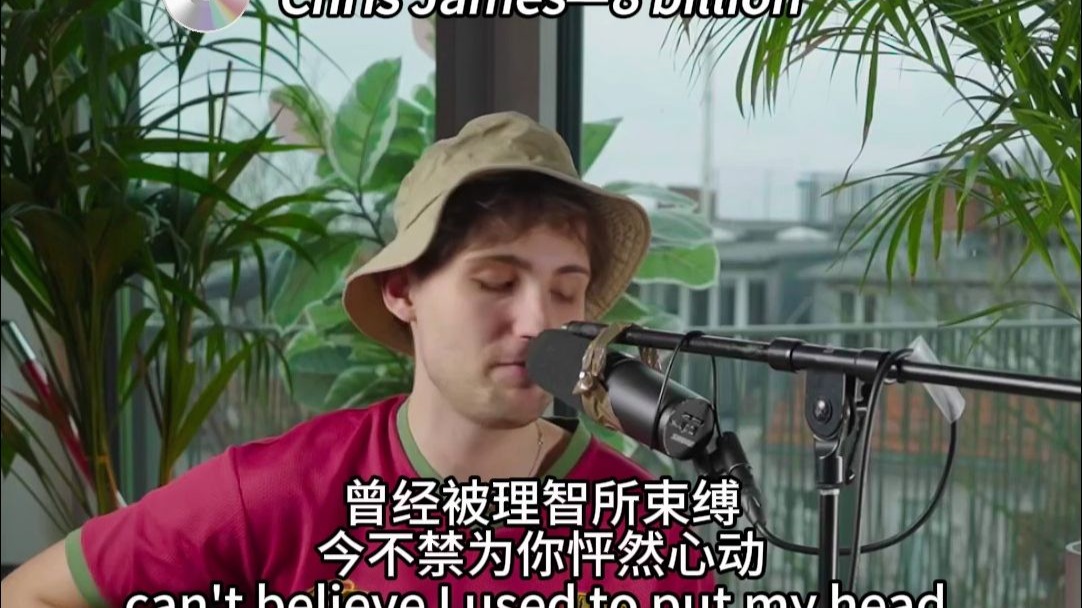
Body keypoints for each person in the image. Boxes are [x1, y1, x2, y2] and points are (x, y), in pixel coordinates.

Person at [2, 111, 719, 608]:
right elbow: (32, 593)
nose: (539, 322)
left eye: (566, 291)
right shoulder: (281, 492)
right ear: (402, 291)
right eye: (497, 282)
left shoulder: (647, 536)